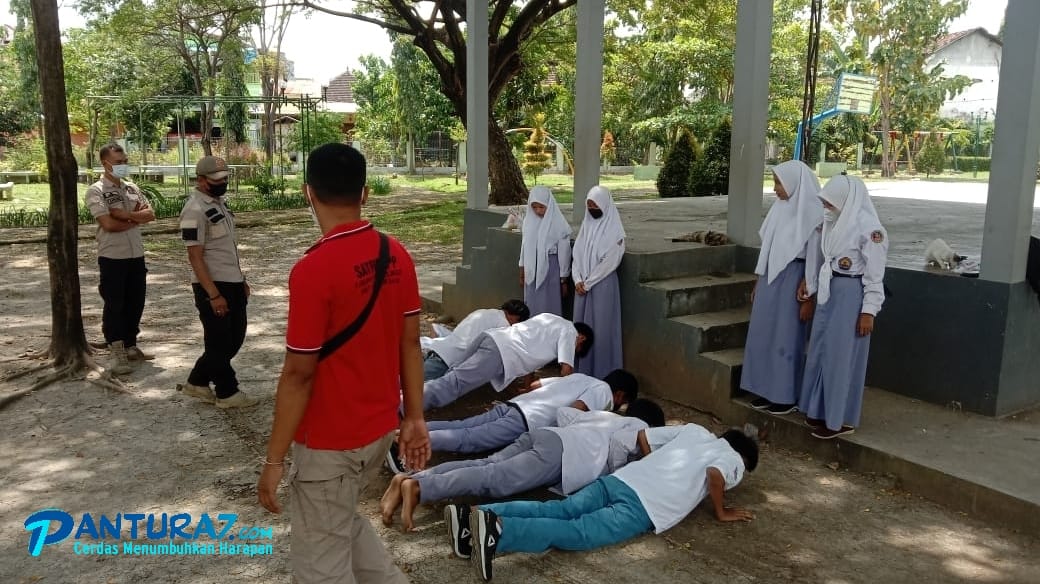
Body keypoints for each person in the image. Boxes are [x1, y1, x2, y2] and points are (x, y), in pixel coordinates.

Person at [256, 143, 431, 584]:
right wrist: (413, 417)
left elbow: (299, 374)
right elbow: (411, 345)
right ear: (365, 193)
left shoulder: (313, 270)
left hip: (330, 441)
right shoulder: (396, 254)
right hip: (376, 431)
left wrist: (274, 459)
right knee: (338, 521)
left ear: (307, 193)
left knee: (320, 564)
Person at [457, 423, 759, 580]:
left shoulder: (695, 432)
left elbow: (643, 436)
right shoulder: (733, 458)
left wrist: (654, 469)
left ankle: (476, 514)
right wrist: (722, 511)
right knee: (578, 532)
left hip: (624, 479)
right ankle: (500, 532)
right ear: (743, 456)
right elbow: (715, 475)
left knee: (560, 509)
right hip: (644, 506)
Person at [382, 402, 665, 533]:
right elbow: (621, 445)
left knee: (486, 464)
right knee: (493, 478)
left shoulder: (605, 415)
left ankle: (412, 477)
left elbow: (564, 413)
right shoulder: (640, 427)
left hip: (548, 435)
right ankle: (420, 487)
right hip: (562, 454)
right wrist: (619, 465)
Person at [798, 175, 888, 439]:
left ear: (846, 202)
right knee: (822, 349)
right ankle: (818, 408)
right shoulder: (832, 223)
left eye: (830, 203)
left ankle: (842, 418)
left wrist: (868, 310)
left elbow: (875, 274)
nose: (826, 208)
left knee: (842, 356)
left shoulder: (870, 230)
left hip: (851, 292)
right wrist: (812, 286)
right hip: (830, 288)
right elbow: (822, 258)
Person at [742, 160, 823, 414]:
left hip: (795, 277)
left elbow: (815, 256)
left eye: (779, 182)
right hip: (770, 278)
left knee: (786, 336)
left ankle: (785, 395)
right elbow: (767, 247)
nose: (775, 188)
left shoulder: (813, 212)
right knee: (763, 332)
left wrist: (809, 291)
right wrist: (759, 280)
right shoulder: (779, 208)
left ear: (795, 183)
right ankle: (764, 389)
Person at [176, 156, 257, 408]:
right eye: (217, 180)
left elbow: (227, 249)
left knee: (234, 338)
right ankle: (227, 392)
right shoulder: (194, 210)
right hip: (212, 285)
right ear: (201, 180)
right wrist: (213, 294)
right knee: (219, 342)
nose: (222, 183)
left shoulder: (220, 204)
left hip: (231, 281)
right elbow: (195, 256)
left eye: (225, 179)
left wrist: (241, 279)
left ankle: (198, 382)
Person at [416, 369, 640, 457]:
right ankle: (406, 443)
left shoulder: (582, 377)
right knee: (470, 440)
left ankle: (409, 433)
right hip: (527, 420)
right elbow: (574, 411)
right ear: (620, 395)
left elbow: (536, 385)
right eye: (621, 403)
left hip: (516, 405)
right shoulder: (603, 392)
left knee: (462, 426)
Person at [420, 312, 594, 411]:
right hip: (501, 352)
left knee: (453, 376)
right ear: (582, 338)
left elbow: (530, 361)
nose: (574, 352)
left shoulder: (551, 320)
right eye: (577, 350)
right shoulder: (570, 332)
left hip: (495, 340)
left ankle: (410, 396)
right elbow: (566, 371)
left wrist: (526, 389)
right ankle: (406, 404)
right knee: (454, 384)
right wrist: (567, 396)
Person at [84, 143, 156, 375]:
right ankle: (116, 350)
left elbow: (150, 214)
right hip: (112, 255)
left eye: (125, 161)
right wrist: (136, 218)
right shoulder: (96, 190)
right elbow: (108, 224)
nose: (123, 166)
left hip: (136, 254)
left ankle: (131, 344)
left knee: (136, 300)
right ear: (105, 164)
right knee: (115, 303)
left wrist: (126, 215)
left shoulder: (132, 188)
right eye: (119, 163)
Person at [572, 185, 625, 378]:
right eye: (589, 205)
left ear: (605, 205)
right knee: (580, 331)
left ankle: (603, 373)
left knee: (601, 330)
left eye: (596, 205)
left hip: (602, 286)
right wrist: (577, 279)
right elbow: (576, 256)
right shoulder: (586, 228)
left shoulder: (615, 233)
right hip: (582, 288)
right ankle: (581, 370)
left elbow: (609, 262)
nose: (592, 209)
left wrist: (588, 282)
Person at [421, 300, 531, 381]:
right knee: (414, 386)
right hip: (447, 360)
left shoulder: (483, 312)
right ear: (515, 318)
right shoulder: (504, 325)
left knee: (412, 378)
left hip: (440, 349)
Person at [519, 186, 572, 316]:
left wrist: (563, 278)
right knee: (533, 301)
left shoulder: (558, 224)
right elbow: (524, 246)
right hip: (531, 268)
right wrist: (522, 268)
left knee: (548, 301)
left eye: (541, 207)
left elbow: (564, 253)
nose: (538, 211)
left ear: (549, 204)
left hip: (550, 269)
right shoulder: (529, 222)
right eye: (534, 207)